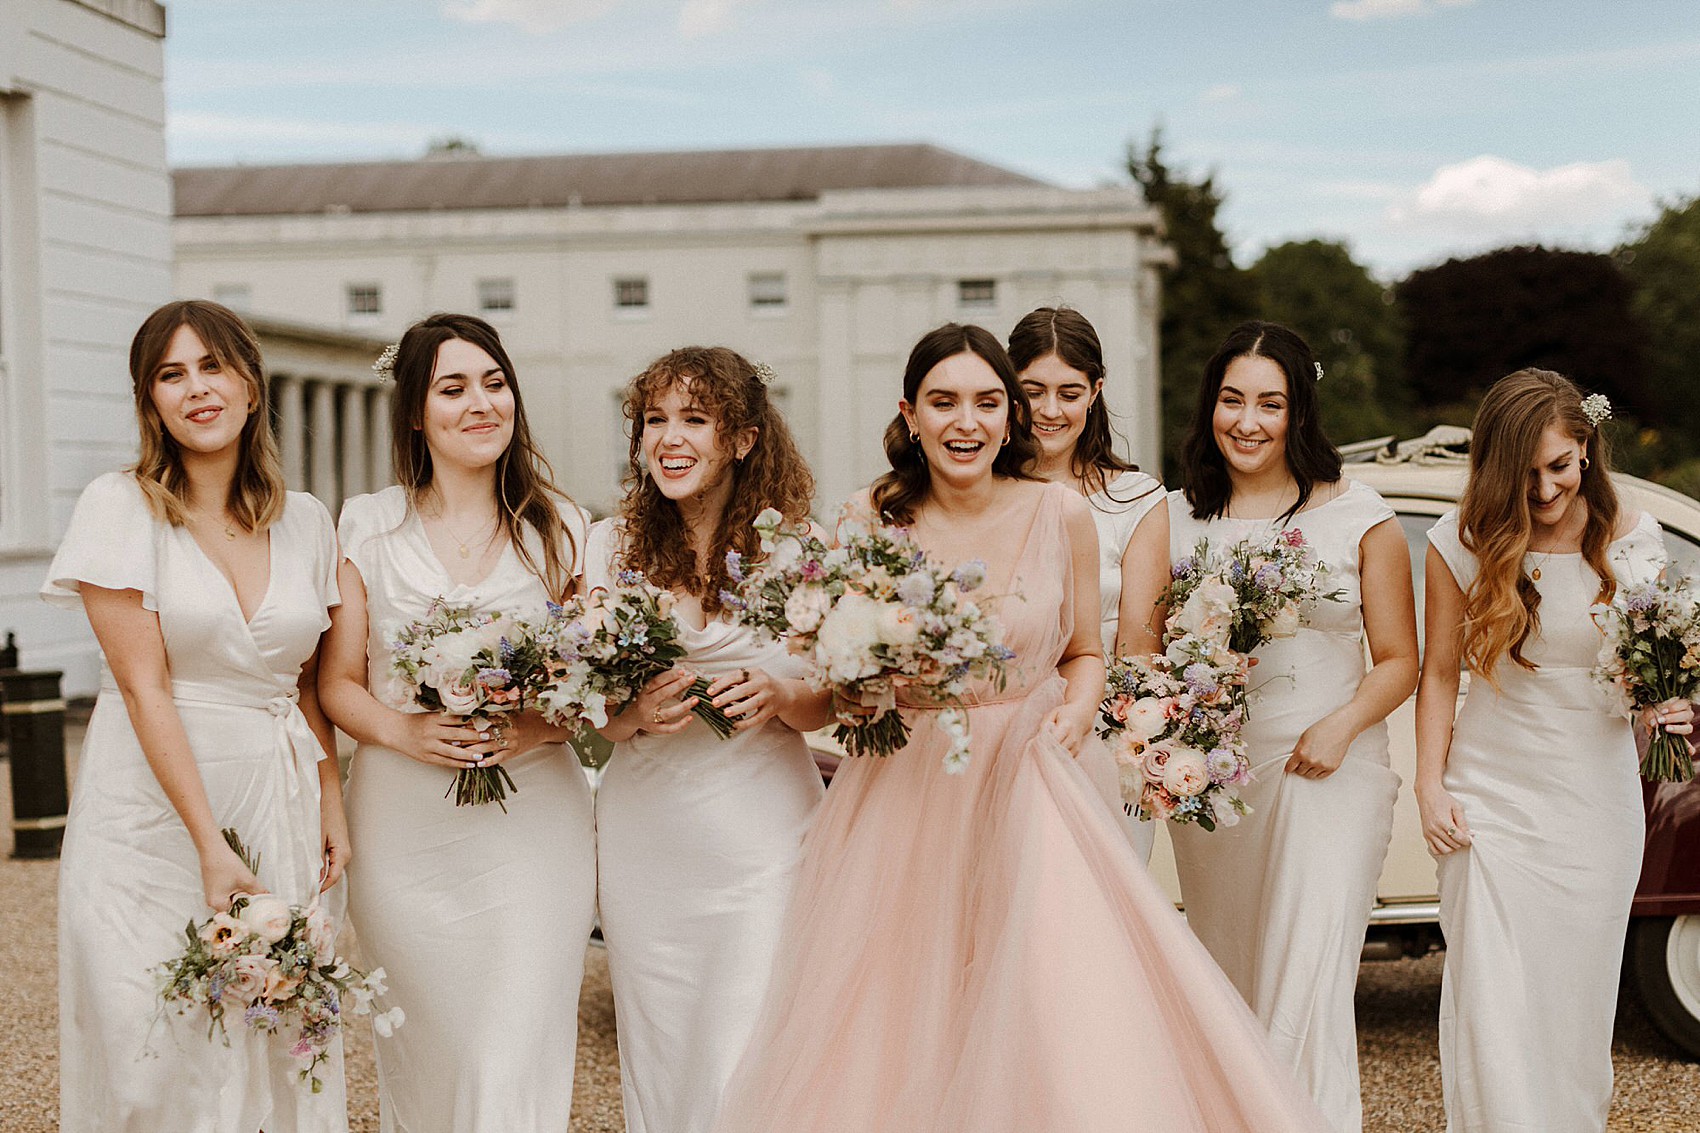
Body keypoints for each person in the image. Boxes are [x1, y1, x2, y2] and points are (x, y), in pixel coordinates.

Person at [710, 322, 1329, 1133]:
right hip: (907, 786)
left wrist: (1076, 707)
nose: (965, 421)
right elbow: (835, 682)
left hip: (1035, 773)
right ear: (911, 413)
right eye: (943, 402)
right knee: (905, 998)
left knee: (1050, 992)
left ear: (1009, 417)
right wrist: (784, 695)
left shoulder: (1059, 511)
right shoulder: (871, 513)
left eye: (985, 402)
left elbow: (1084, 652)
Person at [42, 300, 348, 1132]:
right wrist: (209, 845)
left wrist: (330, 801)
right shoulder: (119, 506)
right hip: (147, 814)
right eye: (170, 374)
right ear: (150, 402)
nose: (196, 388)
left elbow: (310, 686)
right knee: (147, 1051)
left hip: (272, 792)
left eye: (212, 366)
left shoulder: (309, 519)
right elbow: (144, 687)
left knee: (270, 1040)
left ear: (251, 385)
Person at [317, 313, 596, 1130]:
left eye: (494, 382)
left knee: (506, 1048)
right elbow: (336, 682)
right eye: (453, 387)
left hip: (533, 829)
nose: (481, 403)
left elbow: (591, 687)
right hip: (404, 833)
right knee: (432, 1055)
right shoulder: (366, 523)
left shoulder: (563, 526)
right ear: (414, 411)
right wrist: (406, 731)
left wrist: (533, 729)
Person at [1416, 369, 1694, 1133]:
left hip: (1594, 806)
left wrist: (1666, 700)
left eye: (1559, 467)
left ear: (1587, 449)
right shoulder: (1461, 539)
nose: (1542, 491)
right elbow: (1438, 672)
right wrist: (1429, 787)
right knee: (1488, 1006)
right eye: (1524, 473)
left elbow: (1653, 662)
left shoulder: (1631, 540)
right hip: (1489, 798)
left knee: (1573, 1015)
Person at [1166, 320, 1417, 1133]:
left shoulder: (1361, 514)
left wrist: (1340, 725)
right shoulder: (1175, 520)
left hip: (1330, 771)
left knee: (1307, 968)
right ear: (1210, 407)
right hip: (1221, 787)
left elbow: (1399, 659)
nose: (1248, 420)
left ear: (1298, 412)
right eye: (1232, 399)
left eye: (1269, 403)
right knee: (1233, 974)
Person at [588, 346, 828, 1133]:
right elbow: (582, 706)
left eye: (695, 419)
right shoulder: (606, 547)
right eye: (655, 420)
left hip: (761, 834)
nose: (670, 438)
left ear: (746, 439)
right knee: (661, 1044)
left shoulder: (796, 551)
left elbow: (837, 698)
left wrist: (780, 692)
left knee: (746, 1040)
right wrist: (629, 717)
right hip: (645, 835)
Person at [1009, 305, 1167, 858]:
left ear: (1095, 392)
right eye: (1032, 391)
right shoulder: (975, 492)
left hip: (1103, 736)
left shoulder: (1136, 499)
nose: (1049, 410)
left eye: (1069, 393)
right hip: (994, 728)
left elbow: (1139, 649)